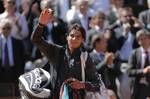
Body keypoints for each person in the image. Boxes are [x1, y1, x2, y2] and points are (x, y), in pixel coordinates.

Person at [30, 8, 101, 99]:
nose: (74, 39)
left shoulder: (85, 57)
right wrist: (40, 25)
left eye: (78, 37)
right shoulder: (55, 51)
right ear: (67, 37)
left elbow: (96, 84)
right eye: (72, 36)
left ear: (83, 40)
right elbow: (35, 39)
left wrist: (82, 85)